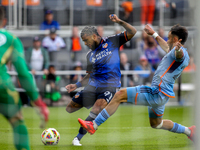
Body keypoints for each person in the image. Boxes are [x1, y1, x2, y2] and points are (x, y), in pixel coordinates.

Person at [78, 24, 196, 142]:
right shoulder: (174, 51)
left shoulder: (180, 53)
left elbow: (178, 55)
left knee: (119, 95)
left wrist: (178, 49)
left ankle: (93, 125)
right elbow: (167, 47)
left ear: (176, 40)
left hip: (157, 92)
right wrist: (154, 34)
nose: (167, 39)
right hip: (163, 95)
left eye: (169, 38)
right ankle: (189, 131)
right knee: (157, 124)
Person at [65, 14, 137, 146]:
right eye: (83, 42)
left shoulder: (112, 41)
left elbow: (133, 32)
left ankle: (77, 138)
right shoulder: (90, 55)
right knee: (69, 108)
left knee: (97, 108)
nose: (85, 44)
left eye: (86, 40)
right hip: (93, 86)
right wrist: (76, 85)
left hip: (110, 86)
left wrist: (119, 21)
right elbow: (89, 75)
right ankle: (91, 109)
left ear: (94, 36)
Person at [0, 6, 49, 150]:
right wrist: (38, 102)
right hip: (2, 86)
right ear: (4, 21)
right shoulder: (11, 39)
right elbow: (23, 73)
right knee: (17, 120)